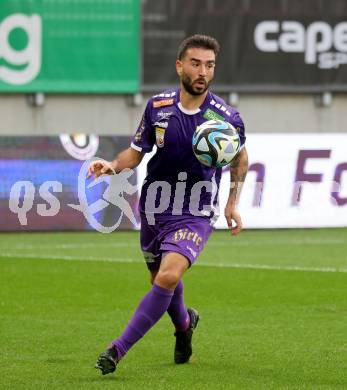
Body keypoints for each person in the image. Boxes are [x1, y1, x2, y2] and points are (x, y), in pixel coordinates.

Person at [88, 34, 248, 376]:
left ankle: (117, 349)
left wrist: (233, 203)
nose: (203, 71)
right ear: (180, 66)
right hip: (155, 206)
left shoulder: (226, 118)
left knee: (170, 274)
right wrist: (114, 166)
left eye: (209, 65)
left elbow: (241, 157)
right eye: (196, 63)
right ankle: (184, 324)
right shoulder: (158, 107)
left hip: (195, 210)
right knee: (159, 279)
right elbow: (136, 150)